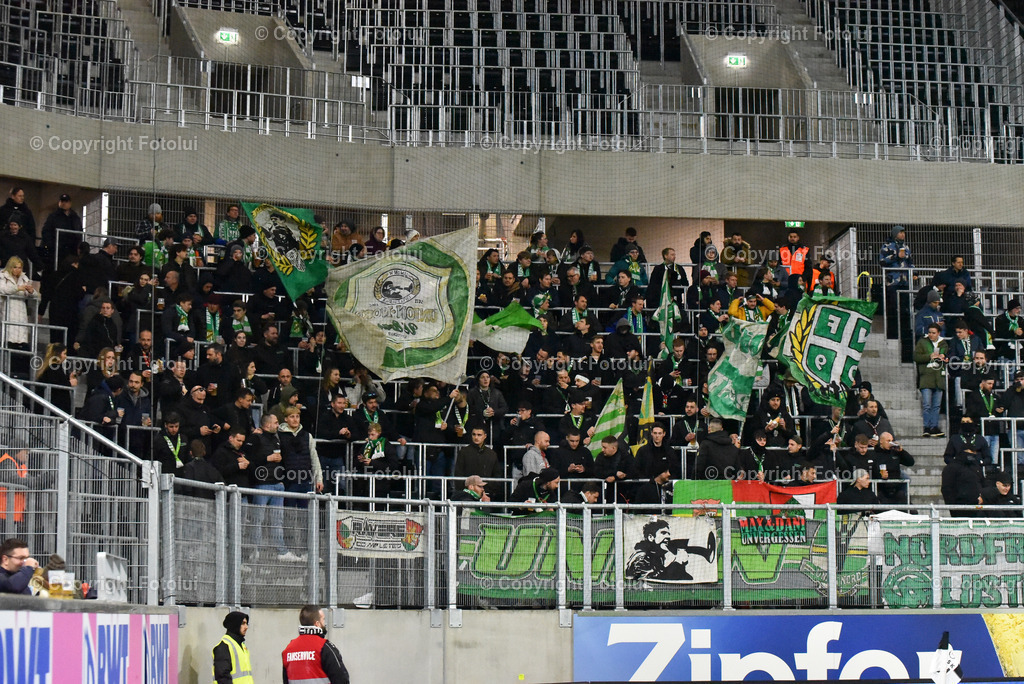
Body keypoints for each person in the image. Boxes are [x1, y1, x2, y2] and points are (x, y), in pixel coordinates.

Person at [281, 605, 350, 684]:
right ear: (317, 624)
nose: (324, 623)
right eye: (323, 619)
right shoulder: (325, 647)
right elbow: (342, 679)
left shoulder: (288, 649)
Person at [914, 323, 948, 437]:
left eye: (933, 333)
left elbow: (948, 356)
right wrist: (930, 356)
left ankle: (934, 426)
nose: (931, 335)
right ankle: (927, 427)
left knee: (936, 405)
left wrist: (944, 358)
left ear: (939, 333)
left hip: (939, 378)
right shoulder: (922, 342)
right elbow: (916, 357)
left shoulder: (944, 343)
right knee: (927, 404)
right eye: (929, 332)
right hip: (926, 378)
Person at [212, 610, 252, 684]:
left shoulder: (242, 645)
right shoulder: (224, 647)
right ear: (235, 625)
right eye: (243, 623)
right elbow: (222, 678)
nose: (246, 627)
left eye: (246, 623)